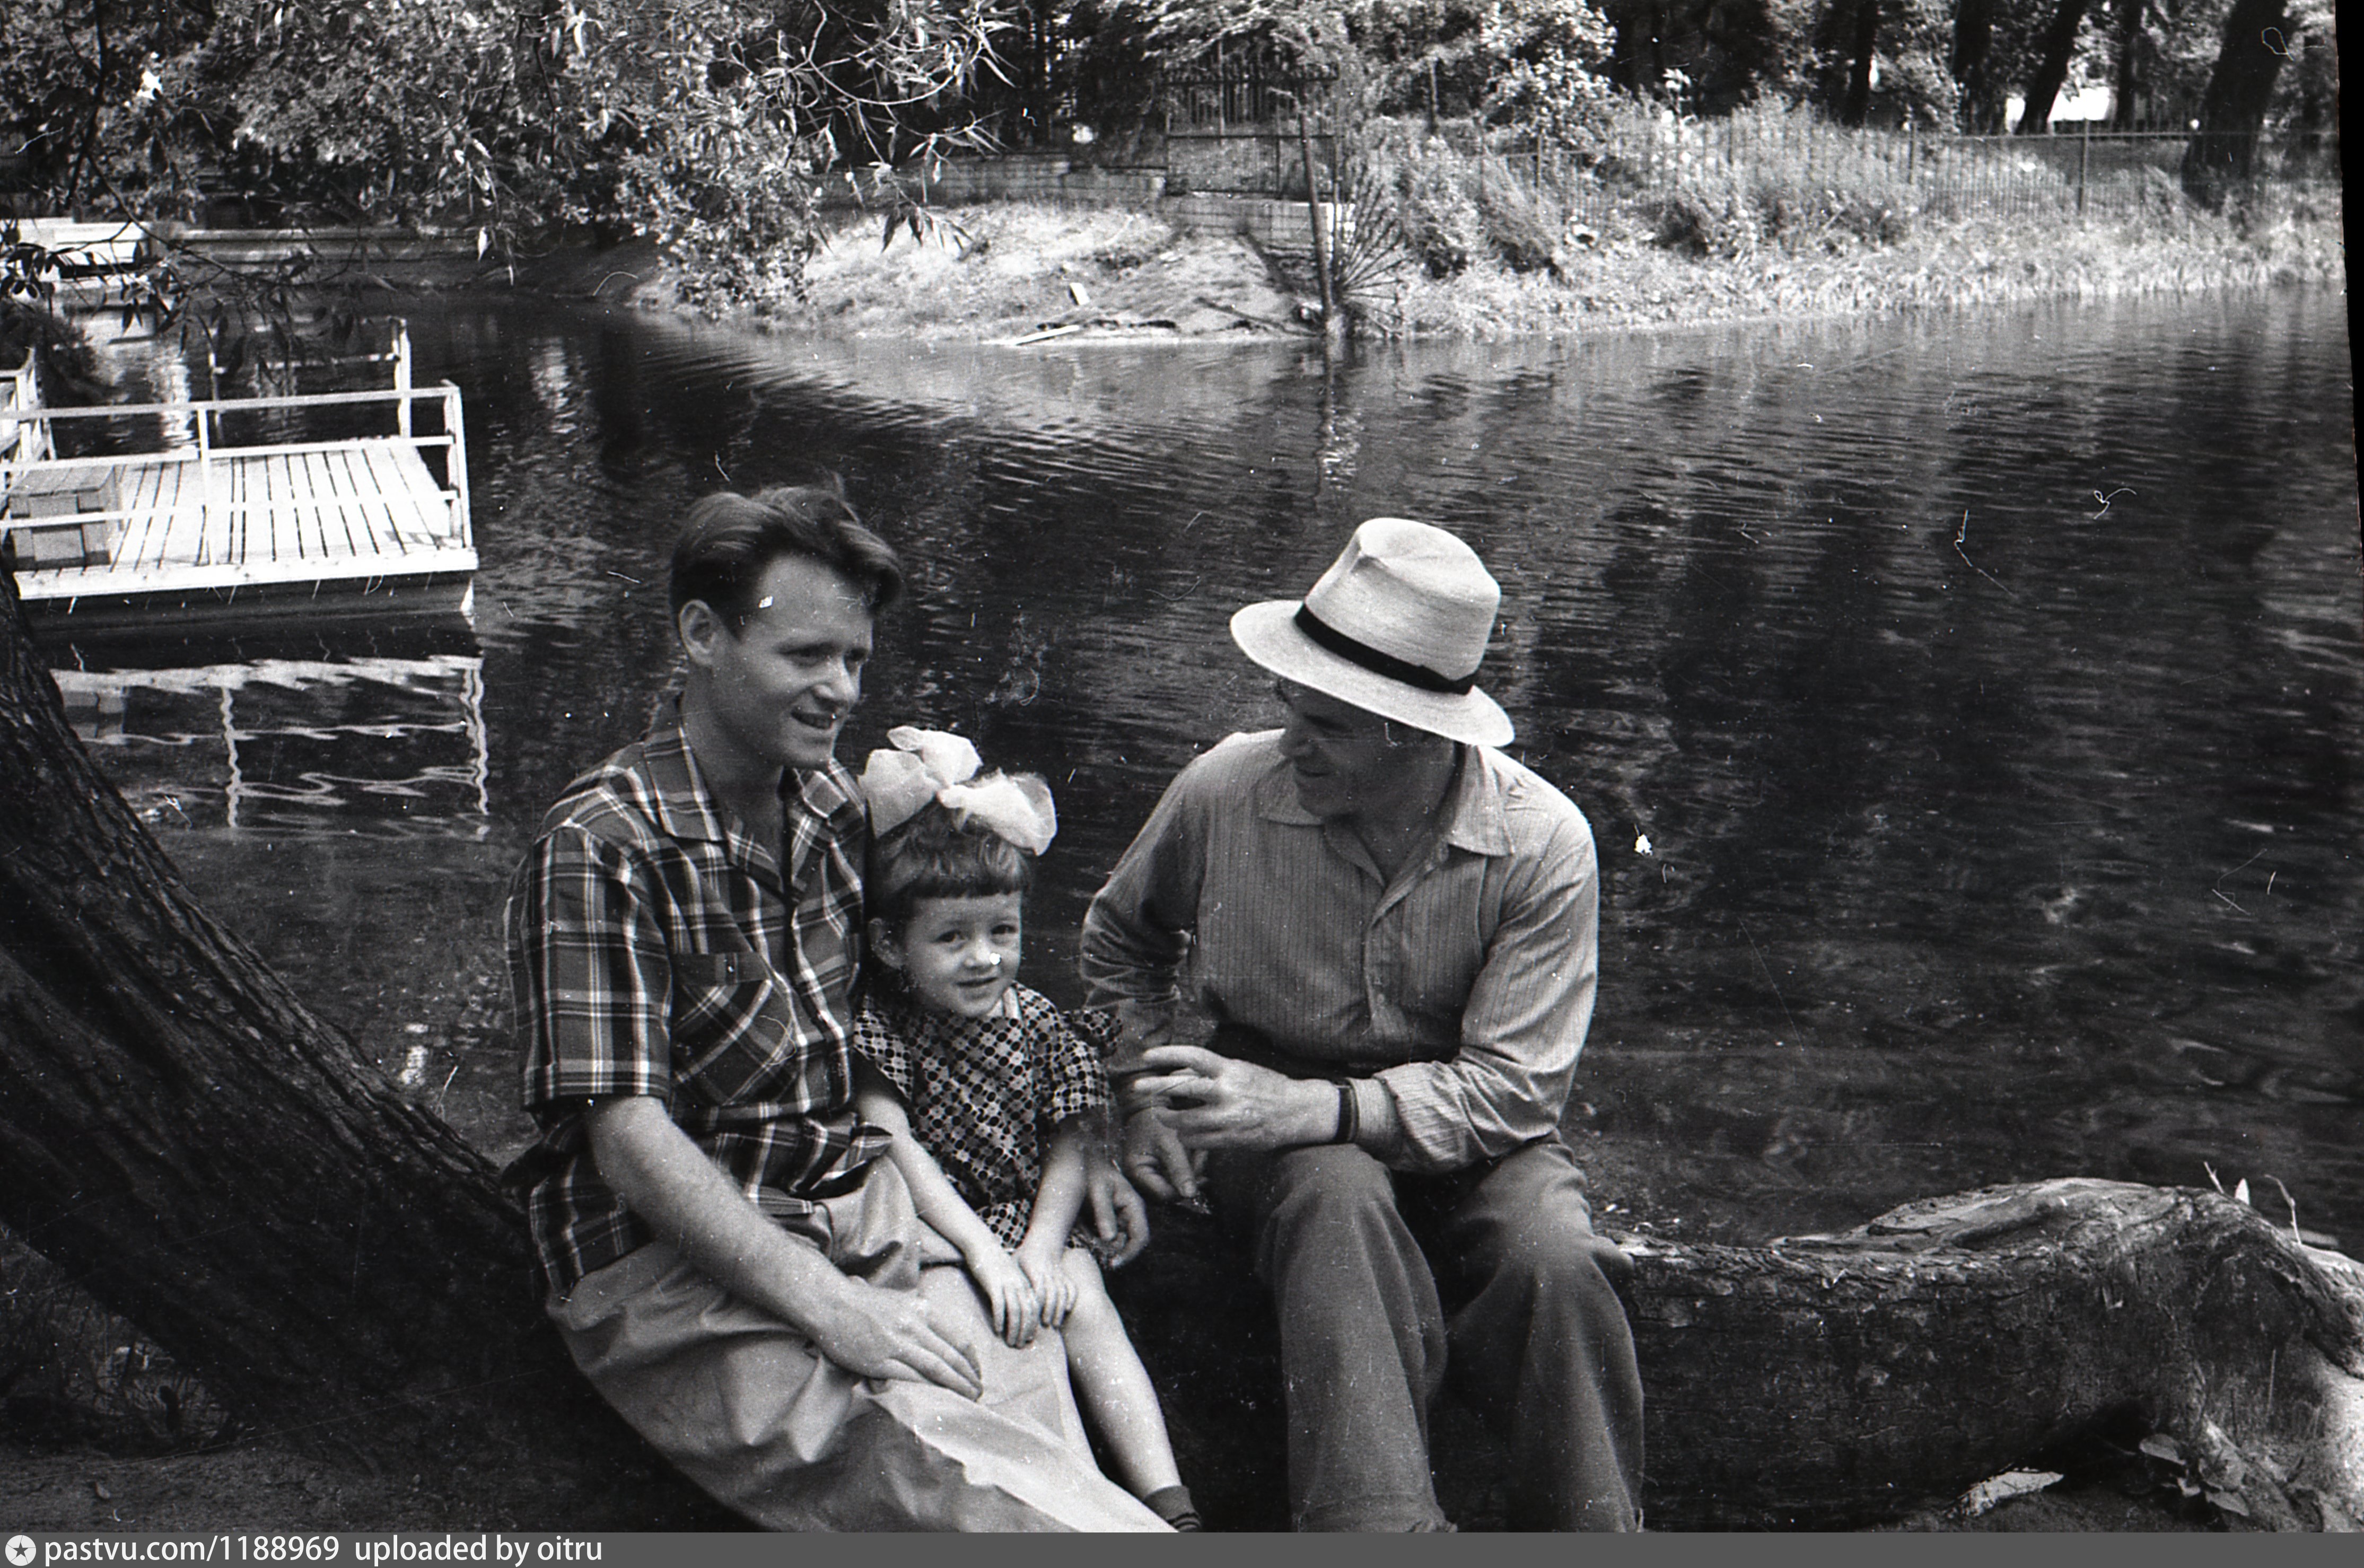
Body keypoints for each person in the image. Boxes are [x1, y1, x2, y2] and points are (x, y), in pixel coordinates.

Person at [503, 486, 1167, 1532]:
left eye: (855, 659)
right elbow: (627, 1139)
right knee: (998, 1503)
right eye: (807, 655)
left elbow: (949, 997)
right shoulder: (601, 846)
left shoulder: (829, 808)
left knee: (1044, 1432)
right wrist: (834, 1306)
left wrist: (1088, 1143)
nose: (843, 689)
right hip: (673, 1270)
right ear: (702, 635)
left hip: (861, 1209)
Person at [1081, 516, 1647, 1532]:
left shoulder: (1542, 842)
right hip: (1270, 1104)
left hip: (1475, 1123)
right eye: (1289, 707)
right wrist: (1141, 1094)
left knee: (1555, 1259)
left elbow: (1515, 1088)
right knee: (1334, 1195)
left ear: (1419, 735)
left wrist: (1323, 1107)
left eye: (1328, 725)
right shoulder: (1224, 790)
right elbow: (1122, 939)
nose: (1291, 741)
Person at [848, 725, 1199, 1530]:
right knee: (983, 1331)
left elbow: (1071, 1137)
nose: (983, 958)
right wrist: (984, 1252)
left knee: (1084, 1300)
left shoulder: (1036, 1021)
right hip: (936, 1226)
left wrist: (1041, 1248)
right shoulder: (883, 1027)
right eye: (952, 938)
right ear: (891, 945)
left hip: (1024, 1214)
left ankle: (1166, 1499)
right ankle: (1072, 1500)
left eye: (1000, 931)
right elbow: (895, 1143)